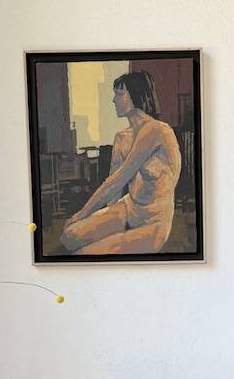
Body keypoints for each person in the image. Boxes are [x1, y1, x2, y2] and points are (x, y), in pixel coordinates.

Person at [60, 71, 181, 255]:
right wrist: (107, 221)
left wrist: (82, 213)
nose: (113, 100)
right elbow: (113, 188)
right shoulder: (122, 137)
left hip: (154, 221)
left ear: (136, 95)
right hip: (128, 208)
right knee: (69, 236)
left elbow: (119, 179)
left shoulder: (157, 130)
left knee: (83, 254)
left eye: (119, 94)